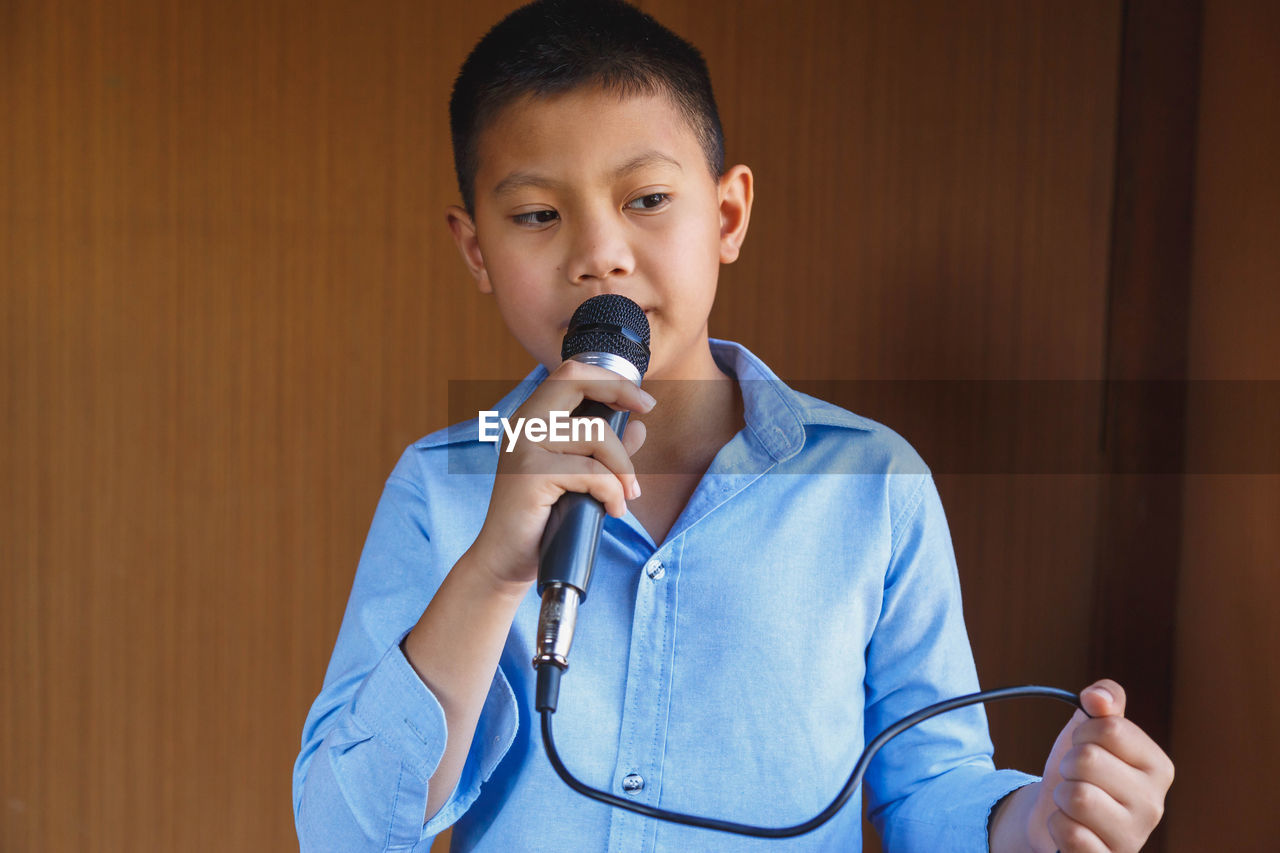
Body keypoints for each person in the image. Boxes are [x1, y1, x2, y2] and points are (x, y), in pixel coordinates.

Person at [292, 1, 1174, 850]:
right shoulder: (439, 487)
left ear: (726, 215)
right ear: (477, 249)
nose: (599, 251)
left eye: (646, 200)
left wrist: (1047, 818)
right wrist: (492, 568)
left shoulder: (875, 486)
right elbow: (347, 832)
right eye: (536, 215)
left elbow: (927, 793)